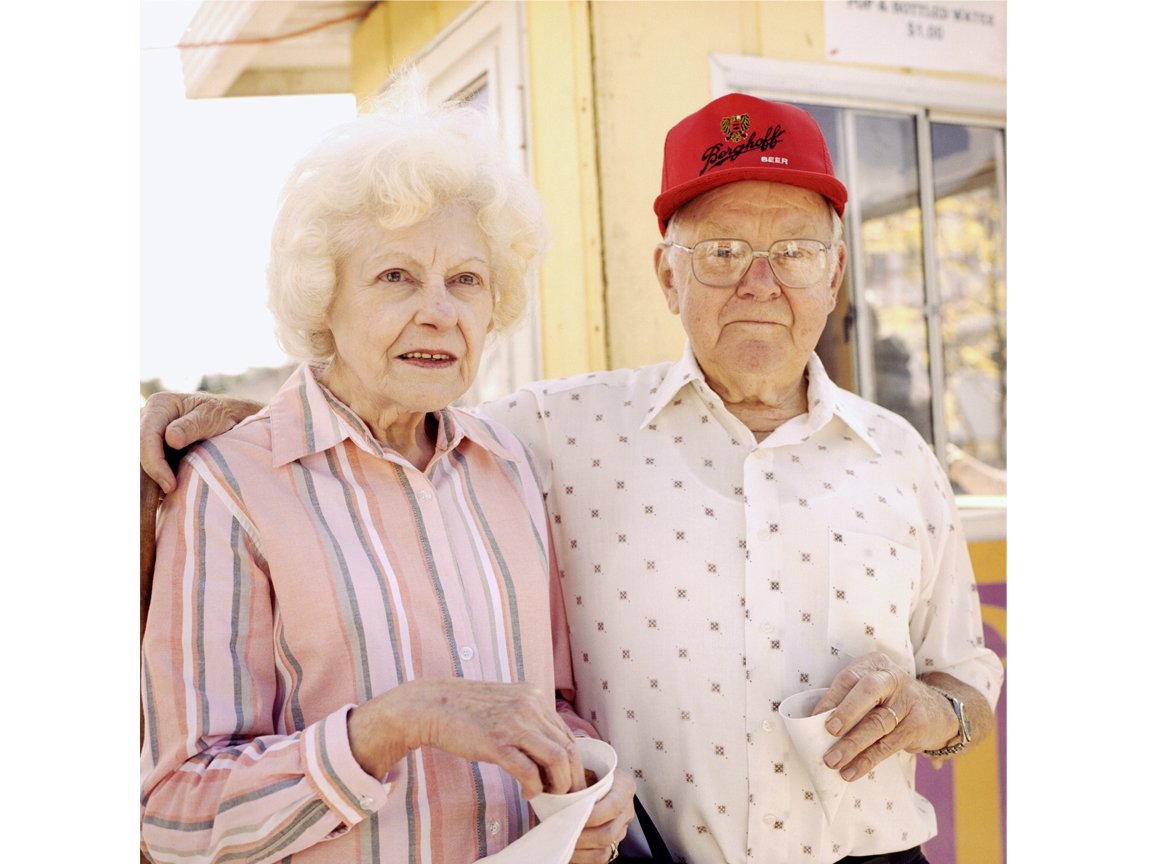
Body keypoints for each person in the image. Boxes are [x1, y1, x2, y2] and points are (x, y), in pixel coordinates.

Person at [142, 92, 1003, 864]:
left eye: (796, 251)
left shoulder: (900, 455)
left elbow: (967, 675)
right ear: (667, 274)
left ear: (837, 273)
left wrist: (934, 715)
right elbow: (168, 812)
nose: (759, 281)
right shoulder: (550, 434)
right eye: (723, 251)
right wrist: (224, 423)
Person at [139, 83, 635, 864]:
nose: (440, 312)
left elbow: (555, 707)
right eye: (396, 276)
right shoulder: (231, 486)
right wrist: (391, 725)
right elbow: (174, 814)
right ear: (322, 298)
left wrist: (591, 785)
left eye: (466, 280)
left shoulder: (508, 468)